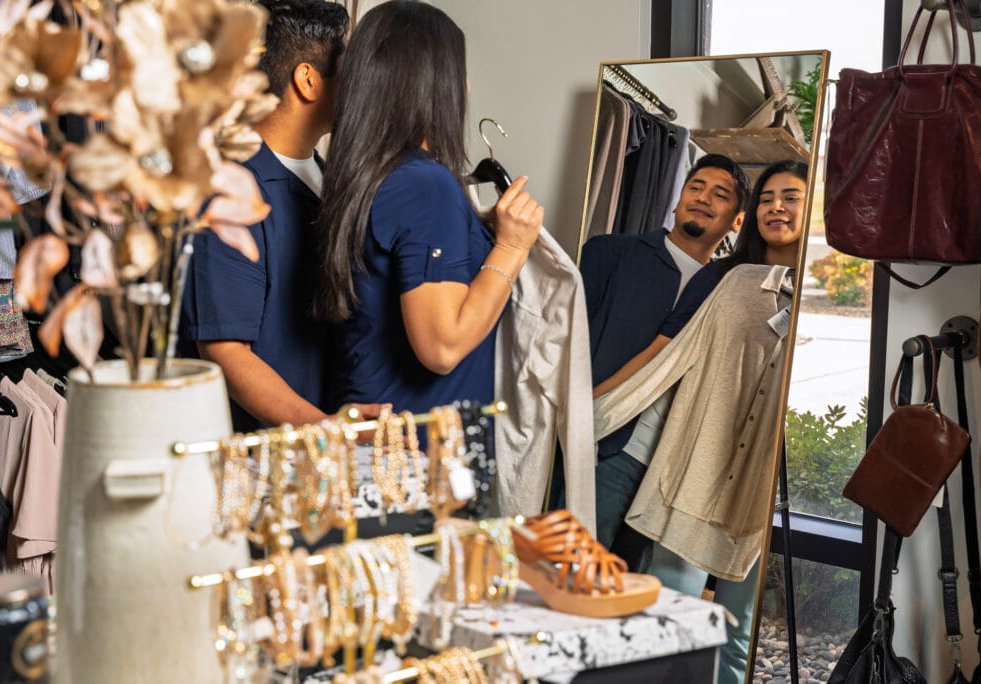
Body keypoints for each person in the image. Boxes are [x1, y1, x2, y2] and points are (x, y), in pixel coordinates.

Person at [315, 0, 542, 415]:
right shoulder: (427, 184)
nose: (467, 87)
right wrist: (511, 249)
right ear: (430, 84)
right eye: (458, 73)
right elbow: (443, 346)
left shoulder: (368, 176)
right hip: (416, 455)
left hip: (370, 437)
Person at [180, 0, 374, 432]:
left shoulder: (328, 179)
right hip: (266, 459)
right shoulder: (231, 191)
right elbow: (226, 353)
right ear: (307, 80)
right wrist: (324, 427)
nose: (361, 87)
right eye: (349, 70)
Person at [579, 153, 750, 571]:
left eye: (720, 194)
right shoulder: (609, 254)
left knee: (628, 597)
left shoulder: (730, 290)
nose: (704, 198)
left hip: (673, 470)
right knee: (574, 577)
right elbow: (565, 347)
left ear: (737, 221)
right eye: (696, 187)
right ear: (677, 200)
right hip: (607, 446)